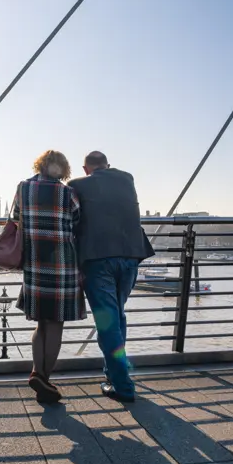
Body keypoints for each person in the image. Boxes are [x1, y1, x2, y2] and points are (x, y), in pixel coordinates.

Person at [69, 151, 154, 403]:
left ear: (86, 169)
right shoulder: (127, 178)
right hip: (130, 256)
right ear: (108, 165)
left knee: (108, 322)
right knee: (117, 316)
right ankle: (114, 374)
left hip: (98, 260)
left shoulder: (77, 185)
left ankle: (123, 386)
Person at [13, 150, 86, 403]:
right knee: (56, 323)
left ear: (40, 165)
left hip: (34, 263)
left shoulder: (23, 189)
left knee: (41, 323)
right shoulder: (68, 193)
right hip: (62, 264)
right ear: (63, 169)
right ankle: (44, 378)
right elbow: (78, 223)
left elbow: (15, 219)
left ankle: (37, 373)